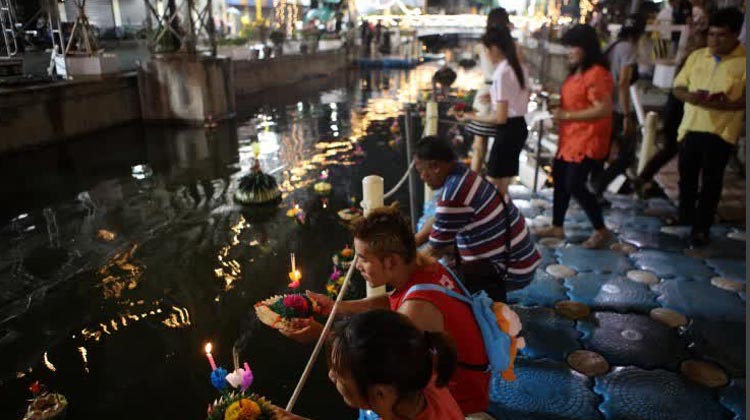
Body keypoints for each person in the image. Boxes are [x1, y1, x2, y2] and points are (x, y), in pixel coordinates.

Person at [280, 207, 491, 416]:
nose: (358, 266)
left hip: (461, 395)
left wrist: (320, 334)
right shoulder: (425, 267)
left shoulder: (415, 311)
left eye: (363, 258)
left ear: (390, 261)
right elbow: (390, 301)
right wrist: (336, 308)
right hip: (463, 379)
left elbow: (379, 364)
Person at [272, 310, 464, 420]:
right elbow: (378, 348)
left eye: (339, 374)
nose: (331, 376)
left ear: (380, 394)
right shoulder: (419, 373)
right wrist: (323, 334)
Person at [414, 136, 541, 300]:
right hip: (522, 257)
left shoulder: (453, 194)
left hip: (511, 269)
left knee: (436, 286)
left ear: (435, 167)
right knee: (443, 252)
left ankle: (481, 308)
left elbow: (434, 249)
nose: (422, 177)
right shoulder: (463, 174)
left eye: (421, 171)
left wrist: (402, 268)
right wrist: (413, 242)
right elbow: (441, 219)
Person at [535, 24, 615, 249]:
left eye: (573, 47)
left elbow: (604, 108)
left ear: (587, 48)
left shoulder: (597, 74)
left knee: (574, 184)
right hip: (569, 138)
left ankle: (601, 230)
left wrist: (568, 114)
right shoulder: (576, 73)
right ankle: (557, 226)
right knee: (560, 180)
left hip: (587, 138)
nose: (569, 52)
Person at [671, 7, 746, 246]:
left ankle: (701, 227)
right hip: (692, 126)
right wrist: (691, 97)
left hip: (721, 131)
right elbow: (678, 87)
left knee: (711, 182)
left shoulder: (743, 62)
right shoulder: (697, 56)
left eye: (721, 35)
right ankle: (685, 217)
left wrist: (729, 103)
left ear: (735, 35)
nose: (714, 40)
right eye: (711, 34)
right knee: (687, 176)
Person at [455, 27, 530, 197]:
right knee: (503, 187)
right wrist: (495, 96)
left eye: (486, 50)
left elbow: (500, 118)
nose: (486, 55)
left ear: (495, 49)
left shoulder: (501, 73)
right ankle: (505, 221)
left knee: (494, 185)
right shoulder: (518, 68)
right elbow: (520, 94)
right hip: (519, 127)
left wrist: (471, 116)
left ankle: (496, 221)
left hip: (507, 132)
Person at [590, 18, 645, 195]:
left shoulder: (612, 45)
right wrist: (627, 115)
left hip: (602, 107)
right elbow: (623, 83)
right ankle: (598, 185)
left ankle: (595, 190)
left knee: (602, 152)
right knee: (627, 155)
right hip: (615, 109)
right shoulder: (628, 48)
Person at [465, 7, 513, 175]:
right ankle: (494, 178)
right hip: (505, 91)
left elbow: (471, 61)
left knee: (479, 143)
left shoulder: (481, 46)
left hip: (486, 90)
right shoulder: (511, 46)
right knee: (501, 142)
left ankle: (475, 179)